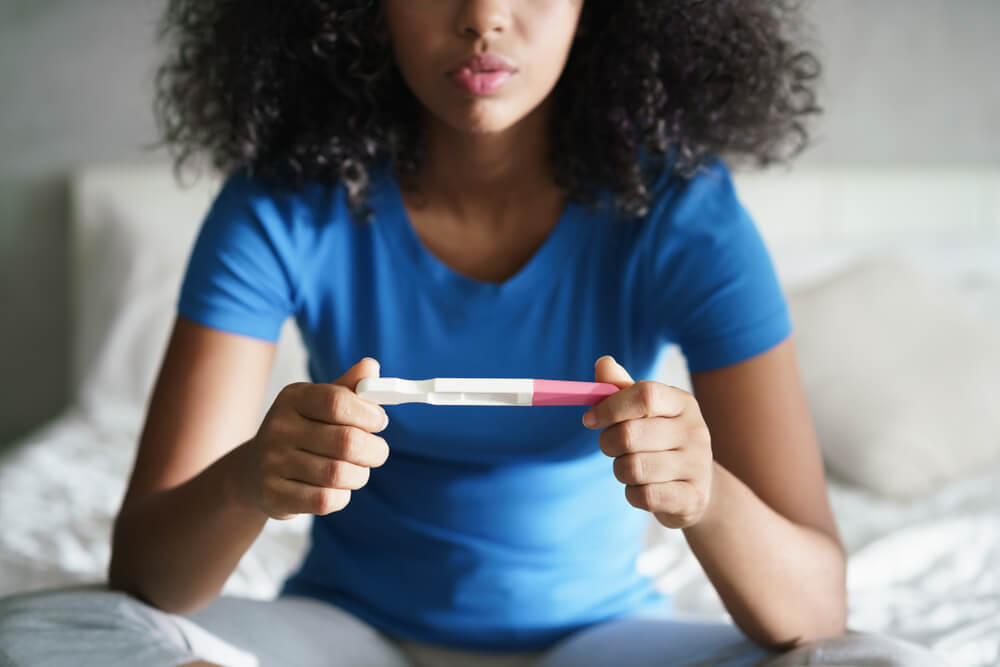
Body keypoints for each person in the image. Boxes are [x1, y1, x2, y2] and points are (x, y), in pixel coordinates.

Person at [0, 1, 944, 666]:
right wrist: (252, 476)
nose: (486, 15)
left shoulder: (683, 214)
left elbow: (819, 611)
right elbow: (147, 577)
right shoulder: (280, 202)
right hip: (343, 635)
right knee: (47, 637)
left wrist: (705, 494)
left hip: (599, 641)